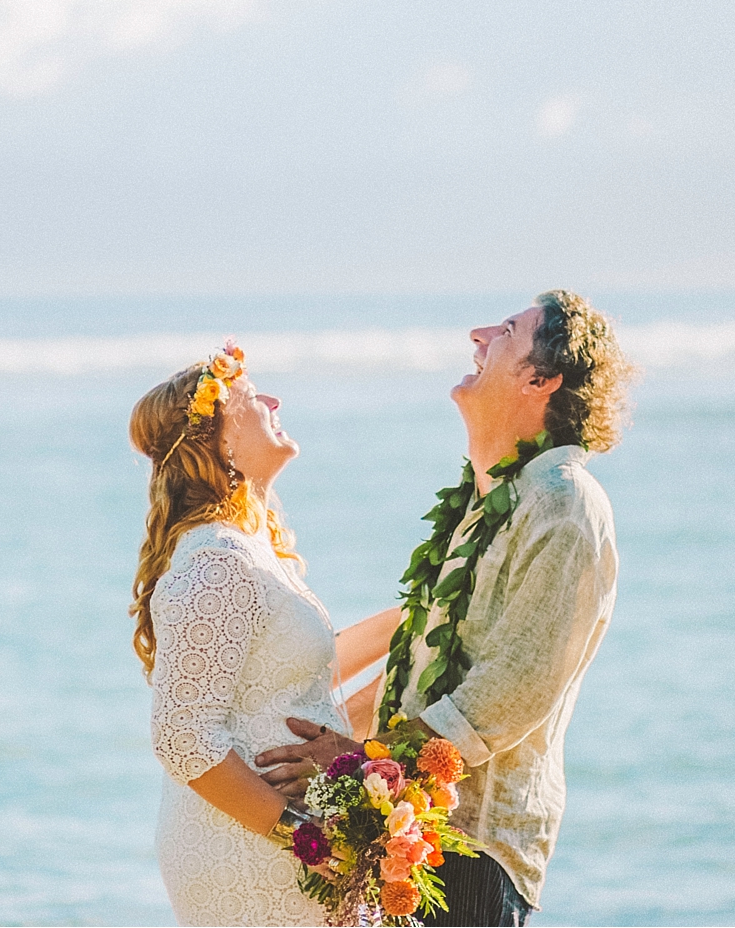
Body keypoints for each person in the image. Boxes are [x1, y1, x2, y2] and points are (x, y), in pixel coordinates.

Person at [257, 290, 635, 926]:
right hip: (412, 838)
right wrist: (334, 745)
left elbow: (508, 693)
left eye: (508, 331)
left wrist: (355, 765)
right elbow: (427, 665)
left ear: (540, 379)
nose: (479, 334)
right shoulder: (492, 500)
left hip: (471, 850)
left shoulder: (563, 503)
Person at [129, 340, 400, 927]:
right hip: (251, 846)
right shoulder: (218, 559)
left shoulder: (249, 551)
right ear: (218, 441)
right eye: (253, 398)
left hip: (285, 839)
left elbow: (298, 679)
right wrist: (304, 837)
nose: (274, 400)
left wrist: (415, 623)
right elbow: (181, 735)